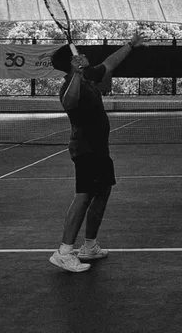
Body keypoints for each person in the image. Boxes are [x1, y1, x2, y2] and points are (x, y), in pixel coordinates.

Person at [48, 31, 144, 273]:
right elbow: (69, 103)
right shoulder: (70, 85)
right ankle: (63, 252)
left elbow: (110, 63)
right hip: (85, 149)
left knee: (102, 192)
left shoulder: (89, 75)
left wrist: (130, 45)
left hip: (100, 148)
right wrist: (76, 74)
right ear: (72, 62)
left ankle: (89, 246)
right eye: (78, 54)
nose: (83, 55)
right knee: (83, 196)